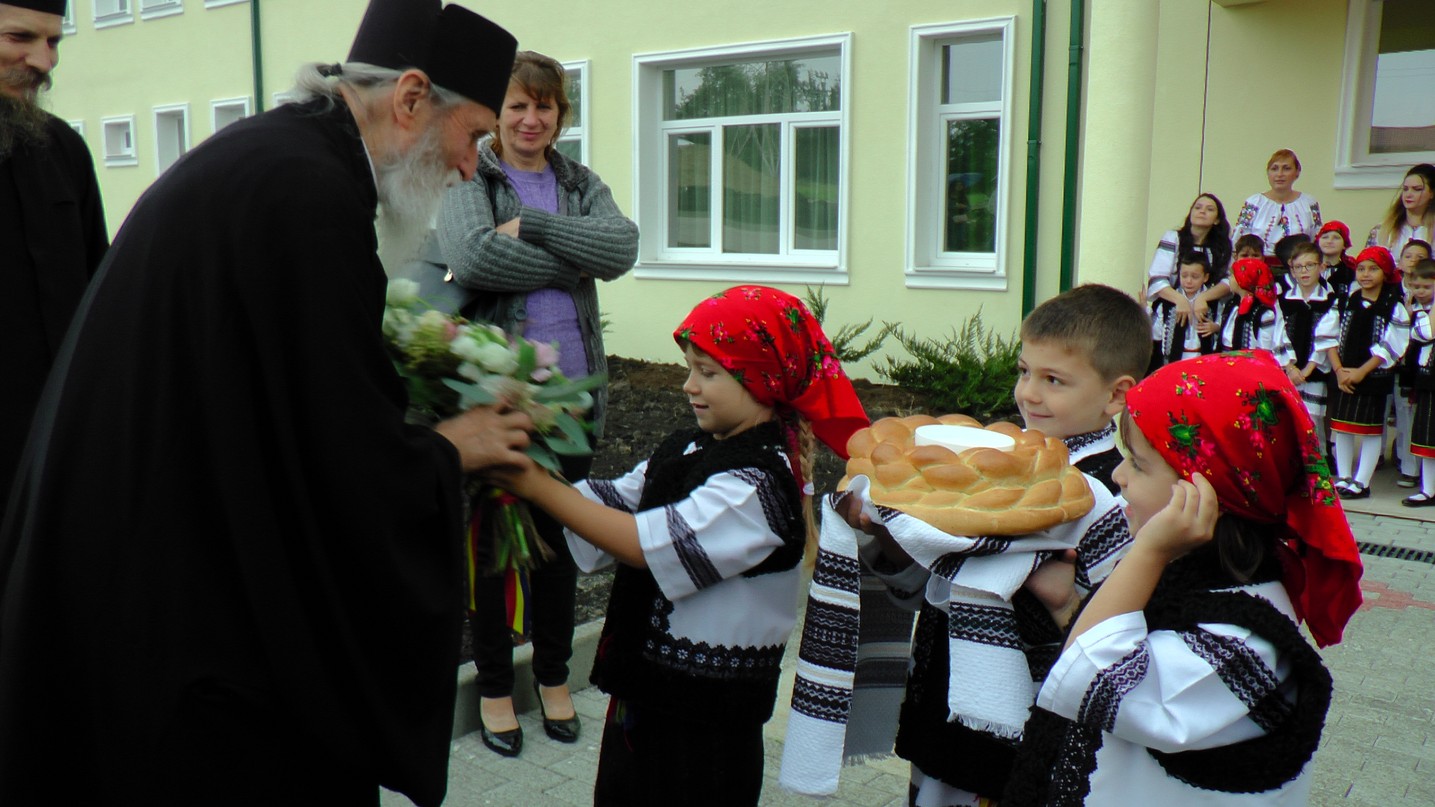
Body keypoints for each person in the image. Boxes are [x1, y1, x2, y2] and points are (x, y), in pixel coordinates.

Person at [0, 3, 526, 804]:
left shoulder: (281, 159)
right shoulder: (307, 194)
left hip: (137, 563)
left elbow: (279, 401)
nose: (467, 168)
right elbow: (333, 461)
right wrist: (452, 448)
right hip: (183, 625)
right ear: (412, 98)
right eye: (475, 136)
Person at [489, 286, 868, 806]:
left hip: (706, 730)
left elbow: (644, 545)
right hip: (646, 699)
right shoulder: (689, 447)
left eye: (707, 373)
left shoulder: (757, 485)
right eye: (690, 368)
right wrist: (528, 456)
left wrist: (535, 484)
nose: (689, 385)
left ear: (762, 379)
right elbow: (612, 503)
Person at [784, 285, 1144, 806]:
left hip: (1026, 729)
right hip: (944, 707)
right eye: (1024, 371)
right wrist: (889, 536)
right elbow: (931, 583)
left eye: (1053, 380)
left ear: (1116, 395)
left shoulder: (1114, 493)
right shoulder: (983, 463)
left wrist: (1061, 597)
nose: (1028, 394)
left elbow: (1115, 636)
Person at [1004, 351, 1362, 804]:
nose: (1118, 475)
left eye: (1138, 463)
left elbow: (1083, 678)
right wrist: (1064, 605)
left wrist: (1149, 551)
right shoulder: (1192, 579)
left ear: (1207, 493)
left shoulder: (1244, 641)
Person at [434, 49, 639, 758]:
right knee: (494, 552)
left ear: (560, 114)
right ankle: (495, 688)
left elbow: (621, 247)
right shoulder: (473, 175)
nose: (530, 119)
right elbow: (474, 256)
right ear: (497, 114)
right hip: (500, 403)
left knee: (559, 549)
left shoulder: (579, 182)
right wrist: (575, 261)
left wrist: (537, 228)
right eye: (517, 105)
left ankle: (553, 677)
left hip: (573, 404)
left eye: (543, 106)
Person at [0, 0, 108, 523]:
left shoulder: (63, 148)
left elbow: (98, 299)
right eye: (20, 38)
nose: (45, 62)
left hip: (60, 463)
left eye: (53, 42)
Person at [1317, 246, 1412, 500]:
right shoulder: (1345, 301)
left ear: (1385, 273)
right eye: (1361, 269)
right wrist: (1339, 370)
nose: (1366, 274)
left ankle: (1362, 481)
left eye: (1373, 269)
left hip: (1373, 377)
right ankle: (1344, 477)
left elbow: (1392, 345)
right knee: (1342, 428)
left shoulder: (1393, 305)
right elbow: (1327, 336)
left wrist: (1361, 372)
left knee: (1370, 430)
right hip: (1344, 375)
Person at [1276, 241, 1337, 445]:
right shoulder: (1282, 301)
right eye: (1298, 267)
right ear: (1292, 271)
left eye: (1310, 265)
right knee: (1287, 418)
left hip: (1314, 371)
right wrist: (1290, 367)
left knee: (1311, 420)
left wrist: (1307, 370)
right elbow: (1278, 335)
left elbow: (1326, 337)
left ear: (1321, 267)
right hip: (1288, 371)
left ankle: (1314, 457)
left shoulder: (1330, 301)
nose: (1304, 271)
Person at [1145, 193, 1233, 330]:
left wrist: (1203, 298)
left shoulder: (1223, 246)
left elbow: (1230, 281)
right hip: (1171, 310)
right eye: (1197, 207)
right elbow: (1157, 278)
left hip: (1208, 314)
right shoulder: (1173, 238)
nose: (1202, 211)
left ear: (1217, 220)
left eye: (1209, 209)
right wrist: (1180, 299)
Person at [1231, 149, 1323, 259]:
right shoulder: (1255, 203)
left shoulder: (1308, 203)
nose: (1279, 174)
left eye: (1286, 168)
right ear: (1268, 173)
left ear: (1297, 172)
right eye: (1274, 169)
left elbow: (1317, 239)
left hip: (1299, 266)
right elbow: (1239, 241)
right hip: (1259, 265)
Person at [1396, 257, 1435, 491]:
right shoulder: (1412, 310)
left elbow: (1427, 333)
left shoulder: (1423, 313)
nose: (1420, 291)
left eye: (1427, 287)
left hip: (1430, 375)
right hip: (1418, 376)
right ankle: (1420, 480)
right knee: (1419, 429)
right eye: (1416, 286)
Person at [1149, 252, 1222, 373]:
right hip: (1175, 359)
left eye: (1195, 277)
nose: (1188, 281)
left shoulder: (1213, 302)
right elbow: (1156, 333)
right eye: (1184, 276)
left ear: (1205, 277)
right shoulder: (1168, 303)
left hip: (1203, 358)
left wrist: (1215, 327)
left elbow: (1222, 321)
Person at [1221, 257, 1289, 356]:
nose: (1229, 279)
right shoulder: (1232, 305)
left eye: (1232, 276)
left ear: (1244, 279)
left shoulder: (1263, 313)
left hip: (1249, 362)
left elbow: (1264, 348)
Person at [1365, 163, 1435, 259]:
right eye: (1405, 189)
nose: (1408, 194)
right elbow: (1368, 263)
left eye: (1417, 189)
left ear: (1432, 193)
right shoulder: (1381, 231)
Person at [1317, 220, 1355, 297]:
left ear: (1344, 244)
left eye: (1336, 238)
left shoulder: (1350, 273)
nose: (1329, 241)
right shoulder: (1308, 268)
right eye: (1325, 237)